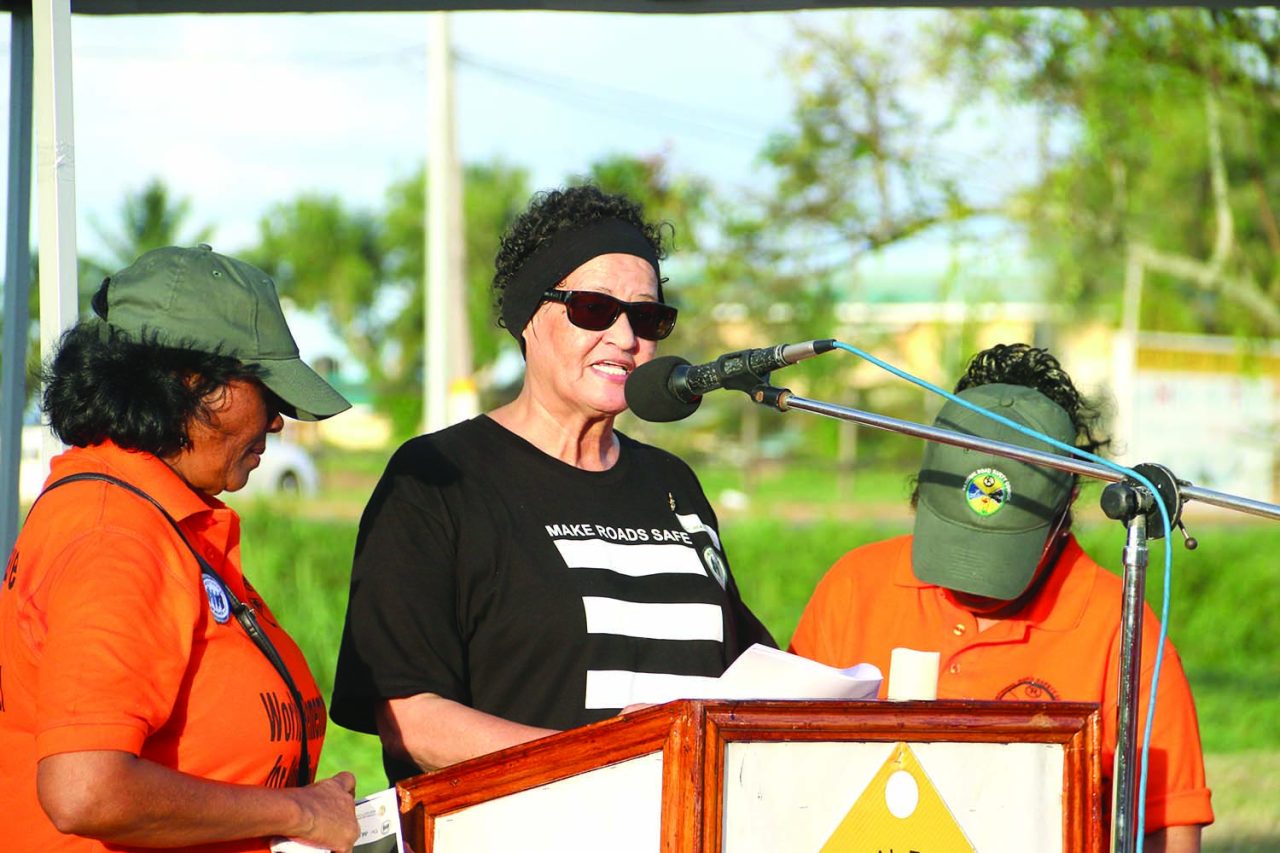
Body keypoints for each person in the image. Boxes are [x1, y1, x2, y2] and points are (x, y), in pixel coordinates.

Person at [331, 184, 774, 782]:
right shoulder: (437, 480)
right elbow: (410, 716)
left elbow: (740, 672)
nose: (625, 338)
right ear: (527, 317)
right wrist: (603, 762)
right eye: (594, 309)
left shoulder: (673, 483)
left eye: (647, 317)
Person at [0, 245, 360, 853]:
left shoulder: (155, 514)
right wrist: (297, 811)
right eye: (267, 392)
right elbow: (84, 789)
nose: (277, 423)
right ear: (192, 384)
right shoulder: (115, 535)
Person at [789, 343, 1213, 851]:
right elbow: (788, 779)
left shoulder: (1119, 625)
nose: (972, 581)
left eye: (1001, 552)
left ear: (1069, 500)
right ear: (923, 489)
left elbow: (1168, 822)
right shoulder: (856, 587)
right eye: (957, 540)